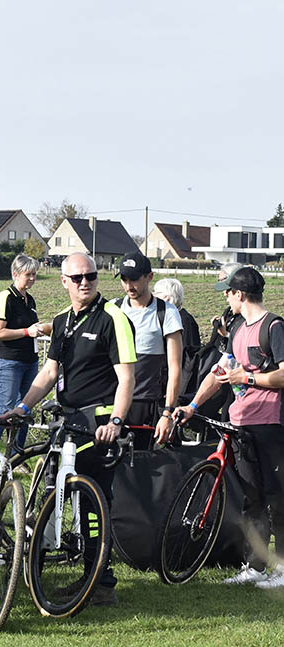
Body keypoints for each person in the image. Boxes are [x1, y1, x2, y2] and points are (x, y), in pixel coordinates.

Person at [5, 252, 136, 607]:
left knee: (95, 503)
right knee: (57, 490)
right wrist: (21, 407)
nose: (84, 283)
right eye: (77, 278)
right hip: (69, 419)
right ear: (64, 282)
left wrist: (116, 422)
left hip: (100, 422)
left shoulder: (114, 319)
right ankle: (61, 568)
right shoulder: (62, 321)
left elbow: (127, 378)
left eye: (90, 276)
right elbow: (49, 373)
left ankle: (101, 582)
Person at [176, 266, 284, 587]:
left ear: (240, 294)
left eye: (228, 291)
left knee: (277, 498)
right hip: (239, 424)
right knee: (251, 498)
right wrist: (192, 405)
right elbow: (218, 373)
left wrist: (247, 378)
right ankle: (256, 566)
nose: (225, 296)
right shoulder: (236, 329)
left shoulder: (274, 327)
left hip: (271, 425)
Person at [115, 251, 183, 449]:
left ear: (149, 277)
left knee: (140, 464)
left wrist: (168, 412)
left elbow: (175, 367)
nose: (129, 286)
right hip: (114, 401)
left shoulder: (167, 313)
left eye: (134, 279)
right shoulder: (114, 309)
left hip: (146, 404)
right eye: (124, 279)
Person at [0, 253, 50, 453]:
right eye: (28, 275)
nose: (32, 279)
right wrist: (27, 331)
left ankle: (17, 455)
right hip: (9, 361)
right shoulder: (5, 297)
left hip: (29, 361)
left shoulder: (30, 300)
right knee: (5, 408)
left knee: (25, 408)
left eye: (34, 275)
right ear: (16, 274)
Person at [153, 277, 201, 398]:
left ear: (168, 298)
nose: (153, 296)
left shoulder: (185, 321)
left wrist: (176, 389)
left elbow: (188, 360)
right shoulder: (164, 318)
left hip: (174, 390)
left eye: (156, 293)